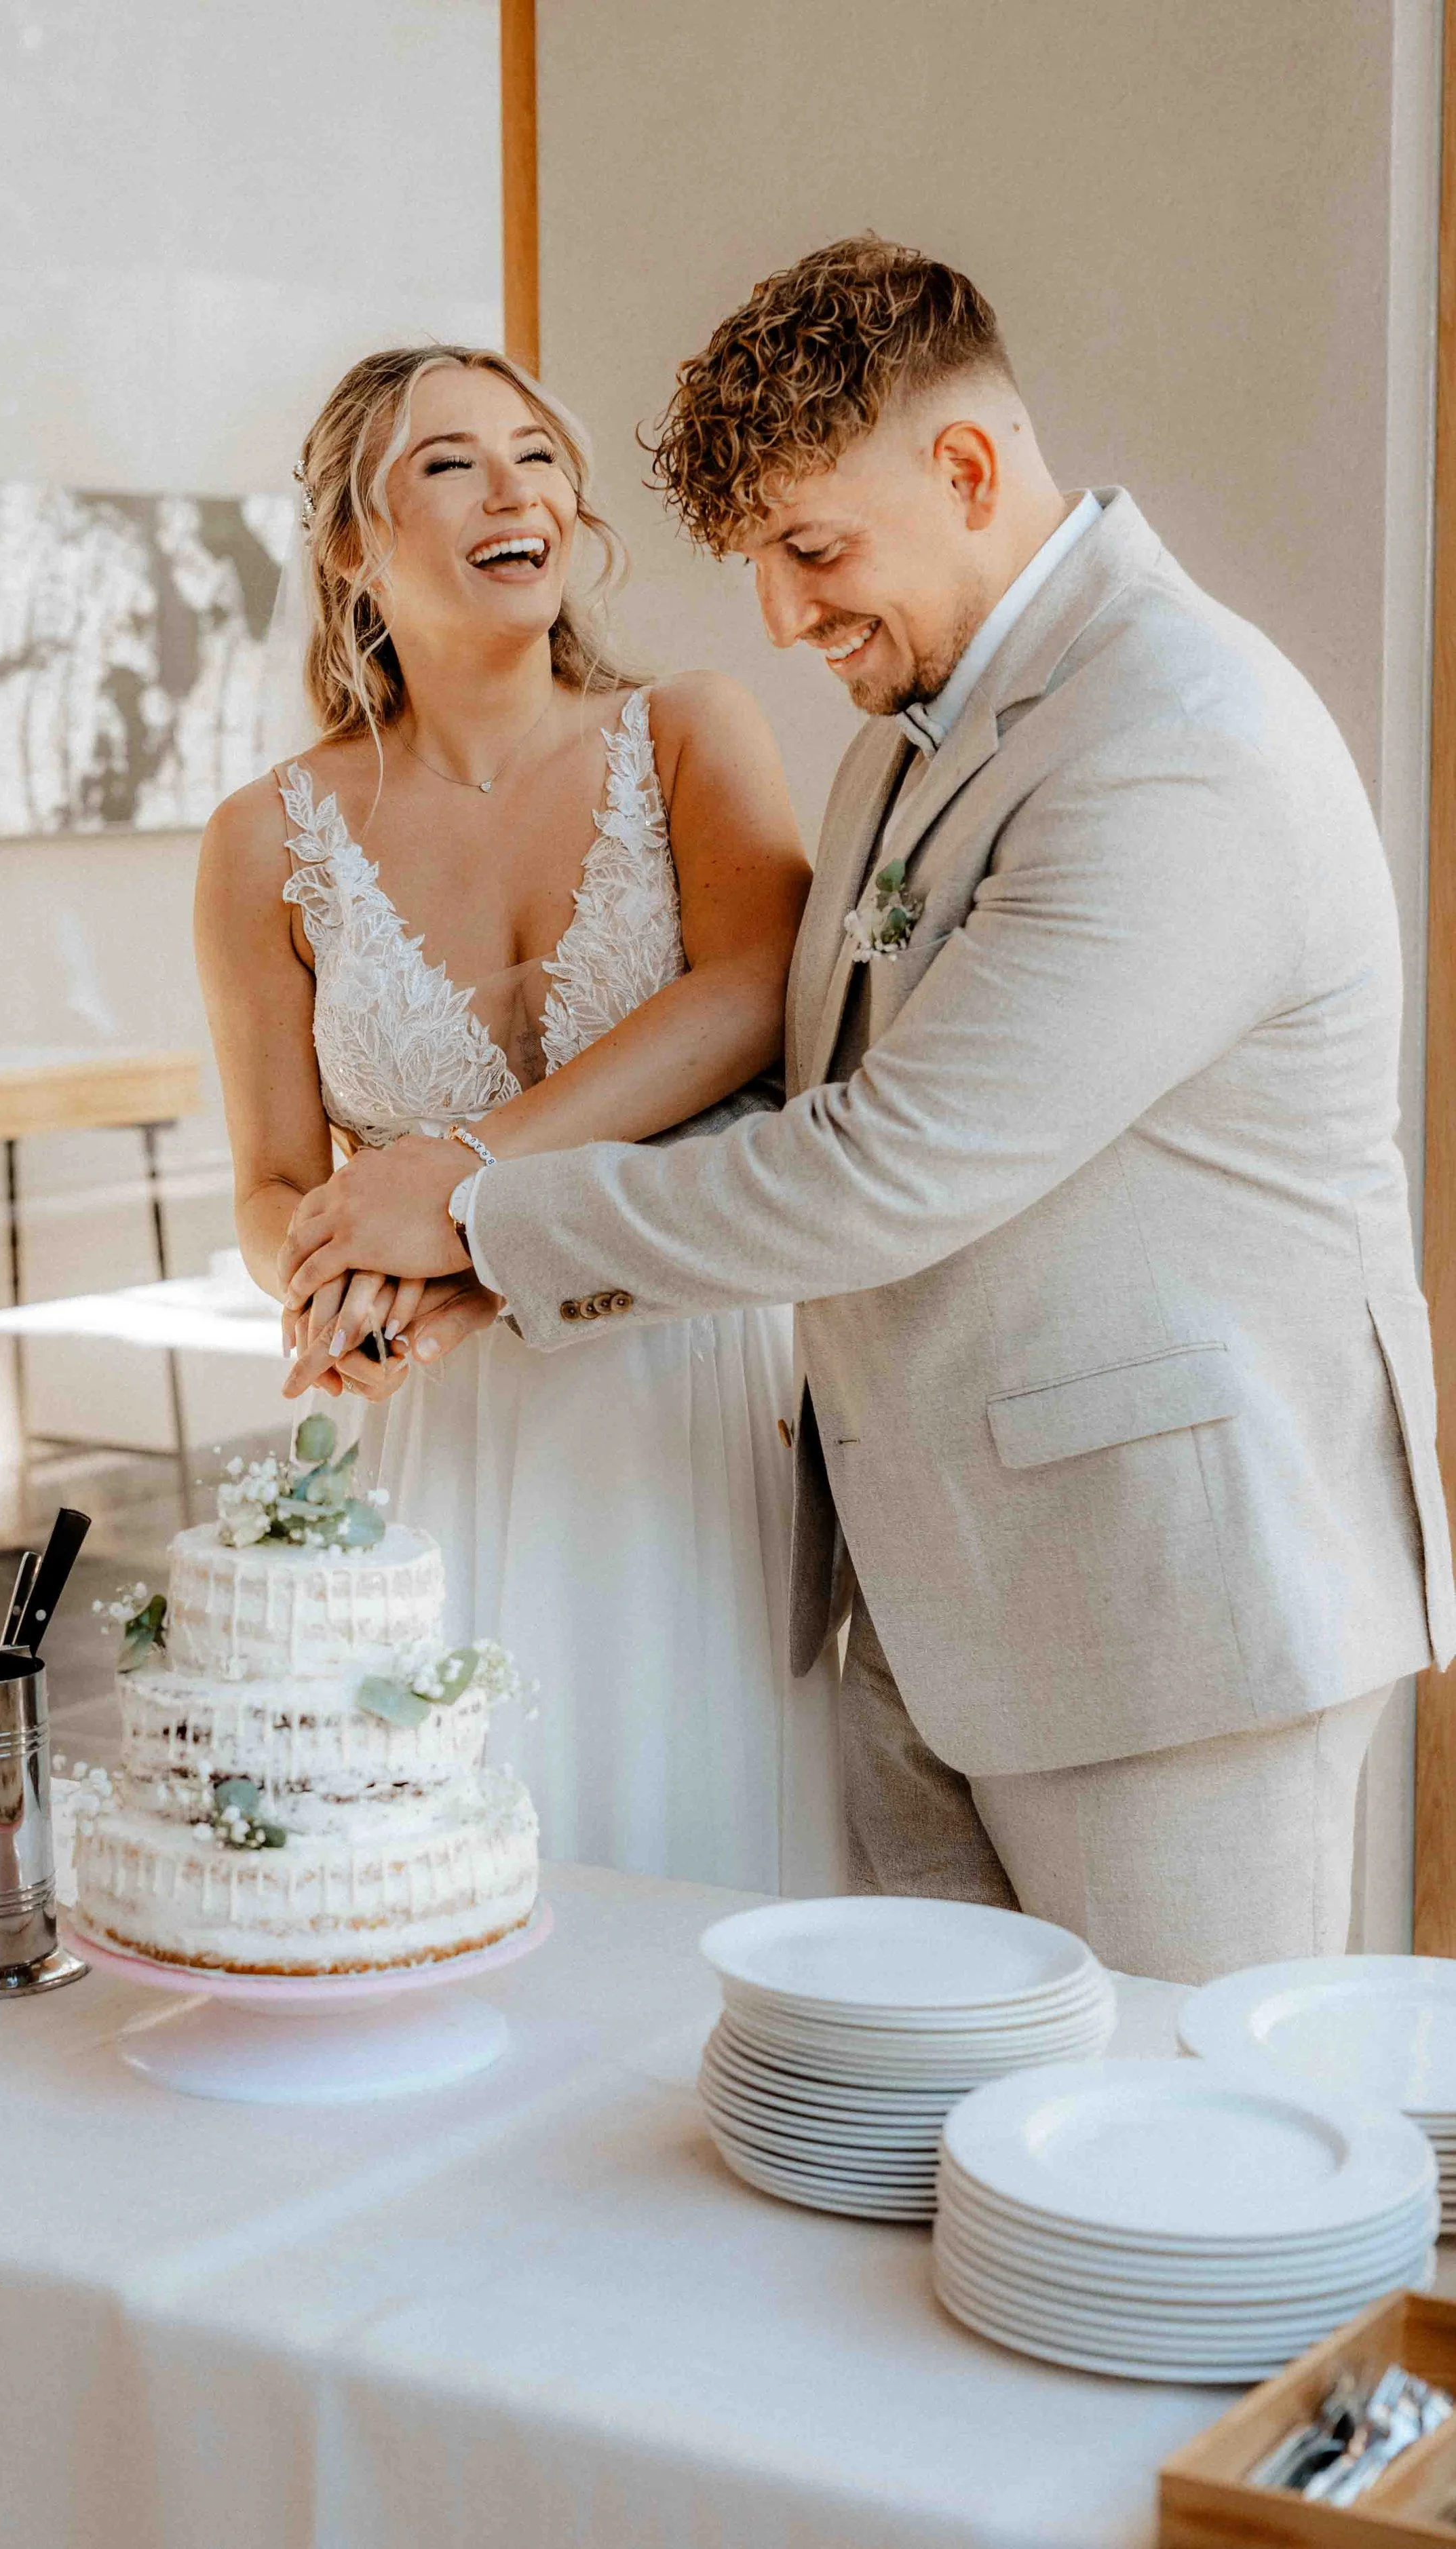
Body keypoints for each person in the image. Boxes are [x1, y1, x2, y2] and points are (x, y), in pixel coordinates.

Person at [291, 238, 1456, 1986]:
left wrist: (474, 1211)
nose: (778, 616)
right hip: (930, 1598)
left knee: (1166, 2121)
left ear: (966, 470)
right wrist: (478, 1281)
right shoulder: (898, 745)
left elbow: (884, 1168)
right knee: (930, 2126)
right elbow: (795, 1093)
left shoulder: (1174, 736)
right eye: (755, 562)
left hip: (1167, 1619)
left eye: (811, 549)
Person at [195, 342, 843, 1896]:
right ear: (352, 545)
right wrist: (342, 1284)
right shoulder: (260, 839)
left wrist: (464, 1178)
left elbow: (753, 992)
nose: (513, 490)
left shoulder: (685, 730)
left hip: (683, 1383)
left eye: (537, 455)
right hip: (449, 1413)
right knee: (456, 1865)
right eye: (450, 463)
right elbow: (273, 1182)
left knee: (704, 1850)